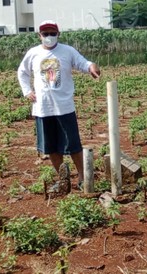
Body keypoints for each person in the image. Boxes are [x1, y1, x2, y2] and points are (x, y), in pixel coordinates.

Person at [17, 20, 101, 194]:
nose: (49, 36)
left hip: (64, 107)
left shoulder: (67, 51)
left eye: (52, 33)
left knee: (73, 145)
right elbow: (22, 72)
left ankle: (82, 178)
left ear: (58, 34)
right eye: (45, 33)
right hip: (43, 108)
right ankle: (63, 180)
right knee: (52, 147)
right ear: (39, 35)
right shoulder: (33, 53)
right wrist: (27, 91)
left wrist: (92, 67)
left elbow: (83, 63)